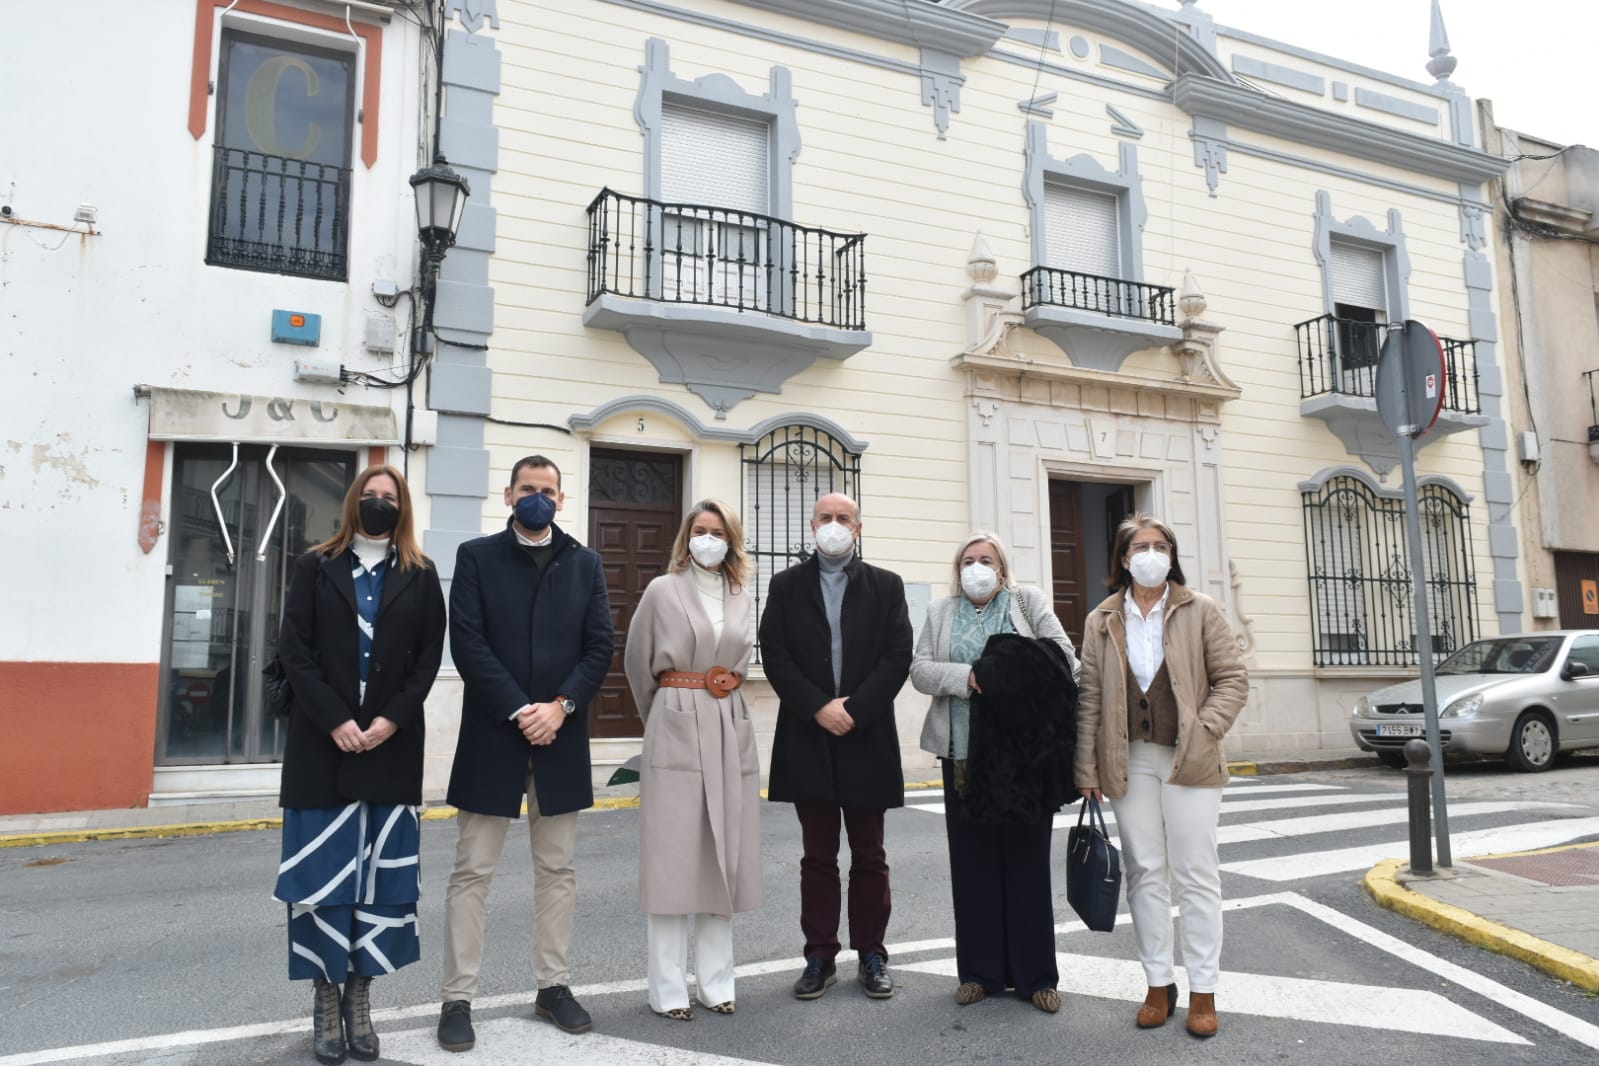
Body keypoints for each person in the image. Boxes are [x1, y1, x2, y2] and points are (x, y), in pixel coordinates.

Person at [437, 456, 614, 1052]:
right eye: (527, 489)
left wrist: (560, 706)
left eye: (547, 491)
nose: (536, 498)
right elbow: (468, 641)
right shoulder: (476, 557)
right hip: (494, 734)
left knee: (557, 870)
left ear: (561, 500)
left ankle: (553, 987)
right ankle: (457, 998)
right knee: (472, 871)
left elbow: (599, 646)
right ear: (508, 494)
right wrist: (520, 709)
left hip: (561, 738)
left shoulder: (585, 562)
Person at [274, 464, 447, 1065]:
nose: (379, 505)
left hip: (391, 748)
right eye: (369, 497)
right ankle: (325, 1000)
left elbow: (428, 658)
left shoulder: (420, 576)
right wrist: (336, 720)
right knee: (323, 883)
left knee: (381, 885)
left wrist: (391, 719)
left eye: (389, 499)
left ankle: (360, 998)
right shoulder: (314, 565)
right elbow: (293, 649)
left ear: (403, 509)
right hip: (322, 748)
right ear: (353, 503)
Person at [1074, 514, 1248, 1039]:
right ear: (1124, 560)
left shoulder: (1201, 610)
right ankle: (1156, 983)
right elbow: (1089, 698)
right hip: (1130, 760)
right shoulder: (1102, 618)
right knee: (1145, 870)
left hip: (1189, 758)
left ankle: (1203, 990)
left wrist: (1205, 729)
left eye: (1160, 545)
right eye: (1139, 547)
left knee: (1197, 874)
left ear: (1171, 555)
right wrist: (1087, 766)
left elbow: (1232, 680)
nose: (1150, 554)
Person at [909, 531, 1078, 1014]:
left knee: (1026, 865)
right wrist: (968, 678)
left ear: (1002, 568)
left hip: (1023, 758)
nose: (976, 568)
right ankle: (979, 974)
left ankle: (1037, 976)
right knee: (972, 865)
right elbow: (919, 670)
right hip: (962, 756)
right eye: (968, 560)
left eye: (986, 560)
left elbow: (1063, 656)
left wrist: (1005, 674)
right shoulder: (941, 612)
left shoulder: (1027, 602)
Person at [760, 492, 913, 1002]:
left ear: (858, 528)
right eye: (825, 518)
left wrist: (856, 708)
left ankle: (872, 954)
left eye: (842, 518)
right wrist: (818, 706)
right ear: (812, 526)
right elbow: (775, 654)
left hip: (866, 734)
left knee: (870, 854)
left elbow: (898, 656)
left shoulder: (886, 586)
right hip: (809, 734)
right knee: (817, 855)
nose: (834, 525)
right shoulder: (785, 586)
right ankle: (819, 955)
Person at [624, 499, 761, 1021]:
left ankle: (716, 983)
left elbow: (741, 660)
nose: (709, 538)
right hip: (676, 717)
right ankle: (667, 989)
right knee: (672, 857)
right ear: (687, 537)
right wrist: (662, 714)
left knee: (723, 854)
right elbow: (638, 660)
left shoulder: (741, 593)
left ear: (732, 539)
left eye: (718, 531)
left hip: (729, 722)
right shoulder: (663, 590)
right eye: (700, 530)